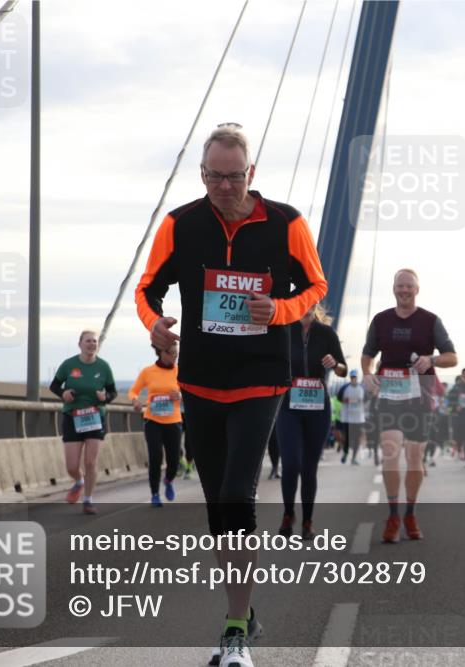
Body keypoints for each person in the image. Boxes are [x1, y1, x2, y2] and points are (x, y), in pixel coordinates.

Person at [135, 123, 327, 667]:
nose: (225, 185)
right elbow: (147, 287)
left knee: (239, 494)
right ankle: (242, 611)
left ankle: (236, 627)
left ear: (251, 173)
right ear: (202, 174)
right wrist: (155, 324)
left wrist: (282, 310)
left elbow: (316, 286)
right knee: (217, 498)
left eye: (234, 176)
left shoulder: (288, 223)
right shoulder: (180, 224)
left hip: (261, 379)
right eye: (215, 176)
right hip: (199, 380)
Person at [361, 268, 457, 543]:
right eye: (400, 286)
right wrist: (368, 374)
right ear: (393, 288)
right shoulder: (380, 320)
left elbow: (452, 356)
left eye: (409, 287)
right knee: (391, 451)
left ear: (417, 290)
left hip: (420, 396)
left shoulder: (430, 321)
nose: (404, 290)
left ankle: (410, 513)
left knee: (415, 457)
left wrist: (432, 360)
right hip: (389, 394)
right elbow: (367, 355)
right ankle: (393, 514)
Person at [276, 303, 347, 540]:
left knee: (309, 467)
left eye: (310, 302)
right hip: (289, 406)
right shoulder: (285, 330)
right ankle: (288, 515)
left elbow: (343, 370)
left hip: (318, 407)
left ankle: (307, 520)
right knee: (291, 464)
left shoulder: (326, 333)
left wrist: (335, 365)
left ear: (315, 304)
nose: (305, 306)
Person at [49, 330, 116, 515]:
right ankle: (79, 481)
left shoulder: (103, 366)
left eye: (94, 341)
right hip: (73, 416)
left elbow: (113, 392)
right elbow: (54, 385)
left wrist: (105, 397)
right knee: (71, 465)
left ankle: (88, 500)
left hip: (95, 417)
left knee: (90, 462)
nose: (91, 344)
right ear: (80, 344)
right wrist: (63, 394)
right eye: (88, 341)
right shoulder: (69, 364)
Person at [129, 341, 184, 507]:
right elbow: (133, 391)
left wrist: (180, 397)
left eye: (176, 353)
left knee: (174, 459)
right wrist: (135, 401)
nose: (175, 357)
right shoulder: (148, 371)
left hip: (173, 420)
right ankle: (154, 493)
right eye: (172, 353)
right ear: (162, 353)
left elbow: (188, 392)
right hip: (153, 420)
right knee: (155, 457)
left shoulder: (180, 372)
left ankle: (168, 480)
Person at [447, 369, 465, 467]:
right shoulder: (456, 387)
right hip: (459, 415)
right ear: (462, 375)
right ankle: (459, 449)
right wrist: (455, 406)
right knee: (459, 436)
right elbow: (449, 399)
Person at [337, 370, 367, 465]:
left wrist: (360, 401)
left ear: (357, 378)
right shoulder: (345, 388)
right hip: (347, 418)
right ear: (350, 378)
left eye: (355, 377)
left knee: (357, 439)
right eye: (352, 377)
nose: (354, 379)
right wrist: (345, 400)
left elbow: (366, 398)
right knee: (348, 438)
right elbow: (339, 398)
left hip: (358, 418)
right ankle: (345, 454)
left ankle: (353, 458)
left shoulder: (362, 388)